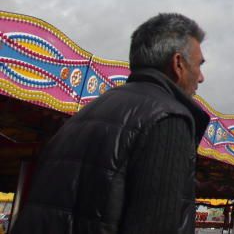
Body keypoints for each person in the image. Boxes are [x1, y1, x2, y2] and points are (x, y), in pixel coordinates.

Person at [12, 13, 209, 234]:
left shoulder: (85, 114)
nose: (201, 77)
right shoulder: (168, 118)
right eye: (199, 65)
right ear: (178, 64)